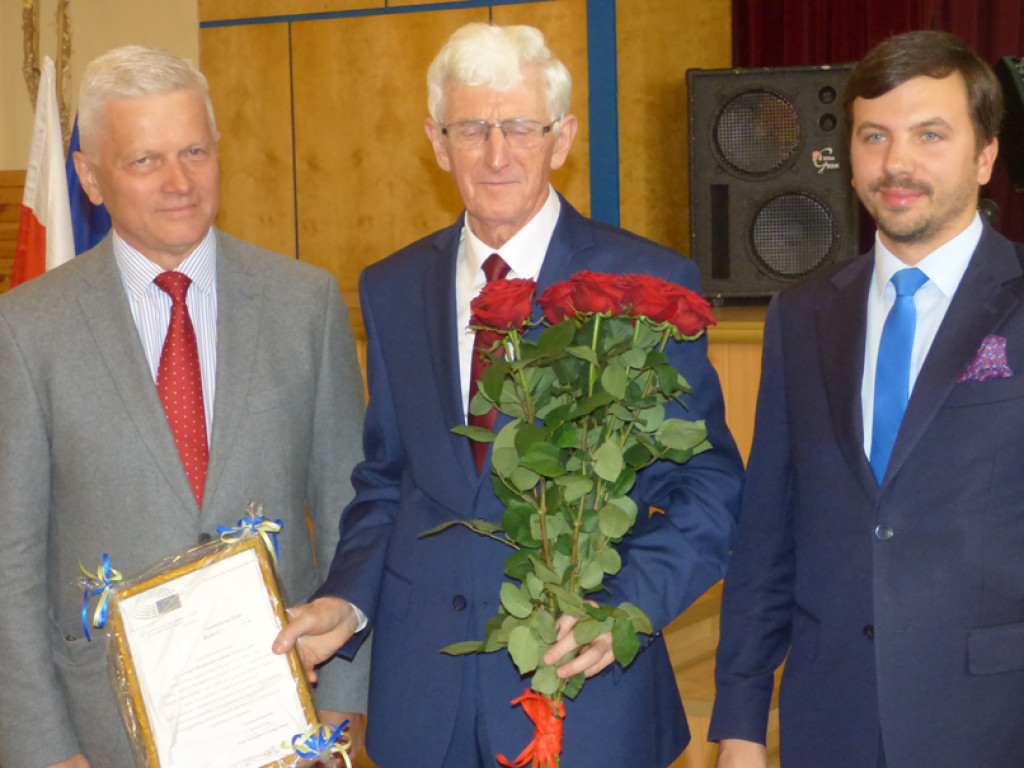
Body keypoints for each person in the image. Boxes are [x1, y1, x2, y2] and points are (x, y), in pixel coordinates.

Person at [272, 22, 744, 768]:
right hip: (425, 704)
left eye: (520, 127)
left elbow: (709, 487)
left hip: (587, 699)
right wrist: (345, 598)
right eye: (472, 129)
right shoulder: (393, 288)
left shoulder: (646, 288)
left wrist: (625, 609)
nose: (496, 154)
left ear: (562, 139)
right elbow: (388, 481)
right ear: (436, 141)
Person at [0, 45, 369, 768]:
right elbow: (10, 559)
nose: (179, 182)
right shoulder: (25, 330)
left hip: (283, 710)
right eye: (145, 161)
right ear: (89, 178)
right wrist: (44, 749)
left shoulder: (305, 303)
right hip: (103, 732)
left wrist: (339, 705)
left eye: (194, 151)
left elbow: (349, 514)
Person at [710, 30, 1024, 767]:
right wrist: (741, 723)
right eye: (874, 136)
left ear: (985, 157)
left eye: (930, 135)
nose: (897, 164)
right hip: (831, 719)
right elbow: (767, 536)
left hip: (992, 721)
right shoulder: (802, 315)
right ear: (849, 156)